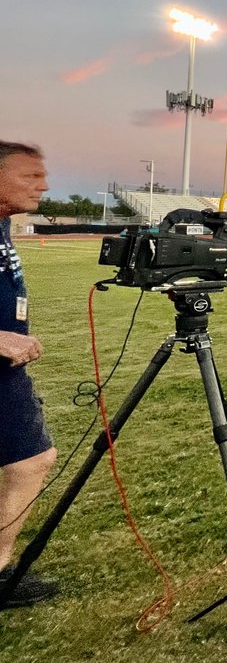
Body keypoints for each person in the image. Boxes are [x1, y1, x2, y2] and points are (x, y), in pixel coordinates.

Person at [0, 141, 58, 607]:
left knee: (31, 461)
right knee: (30, 462)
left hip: (6, 372)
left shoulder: (3, 223)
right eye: (30, 176)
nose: (43, 185)